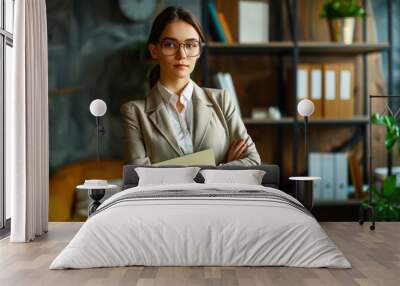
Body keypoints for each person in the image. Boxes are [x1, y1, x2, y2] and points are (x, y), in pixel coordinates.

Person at [121, 6, 261, 166]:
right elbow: (141, 177)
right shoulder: (134, 113)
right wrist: (221, 168)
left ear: (199, 50)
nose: (182, 55)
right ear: (154, 51)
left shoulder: (221, 100)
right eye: (170, 45)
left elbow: (252, 161)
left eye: (190, 45)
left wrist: (165, 171)